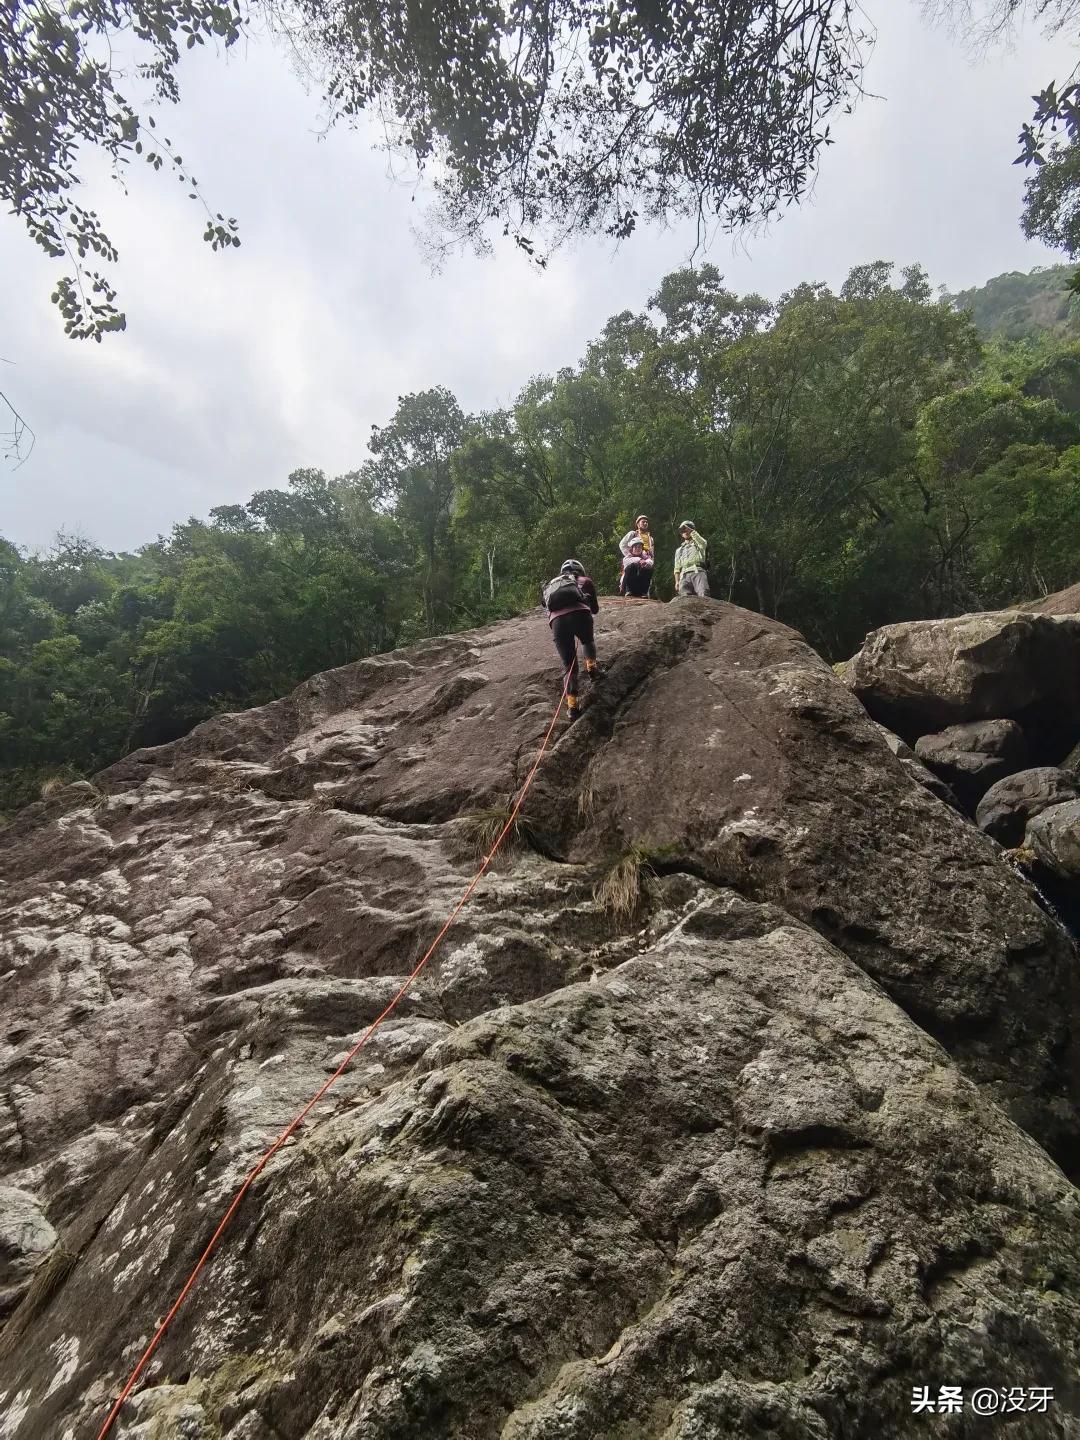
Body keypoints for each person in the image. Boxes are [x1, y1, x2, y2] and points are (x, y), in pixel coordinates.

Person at [542, 559, 600, 720]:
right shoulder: (585, 581)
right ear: (581, 570)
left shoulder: (551, 586)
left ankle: (572, 707)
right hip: (580, 614)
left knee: (569, 666)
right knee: (587, 641)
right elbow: (594, 609)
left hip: (558, 622)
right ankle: (593, 670)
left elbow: (545, 607)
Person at [673, 520, 710, 597]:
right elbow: (676, 568)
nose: (685, 532)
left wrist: (691, 531)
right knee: (683, 599)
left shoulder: (699, 544)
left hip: (698, 571)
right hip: (684, 575)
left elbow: (703, 542)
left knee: (704, 594)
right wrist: (677, 582)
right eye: (683, 531)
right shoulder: (679, 550)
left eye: (687, 529)